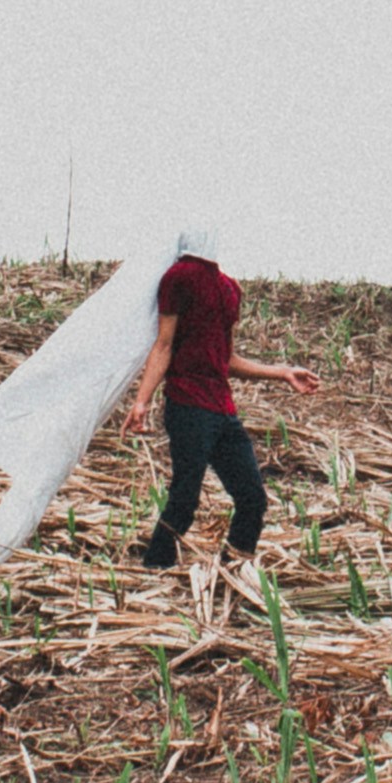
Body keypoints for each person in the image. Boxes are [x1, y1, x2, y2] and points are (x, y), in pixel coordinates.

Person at [118, 236, 319, 568]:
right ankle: (155, 568)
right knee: (185, 498)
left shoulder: (228, 289)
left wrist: (282, 372)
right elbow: (163, 345)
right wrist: (142, 401)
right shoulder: (178, 277)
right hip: (187, 406)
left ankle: (233, 570)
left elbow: (226, 360)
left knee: (252, 498)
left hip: (222, 412)